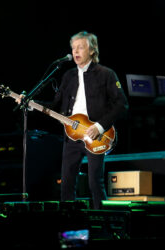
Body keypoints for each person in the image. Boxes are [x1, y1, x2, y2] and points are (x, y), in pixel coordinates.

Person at [18, 31, 128, 209]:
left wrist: (100, 127)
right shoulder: (68, 76)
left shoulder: (106, 74)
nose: (75, 51)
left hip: (96, 135)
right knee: (67, 183)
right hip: (72, 136)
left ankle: (106, 225)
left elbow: (122, 104)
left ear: (92, 50)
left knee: (95, 182)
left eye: (80, 47)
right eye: (73, 48)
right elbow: (55, 105)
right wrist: (31, 103)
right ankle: (69, 227)